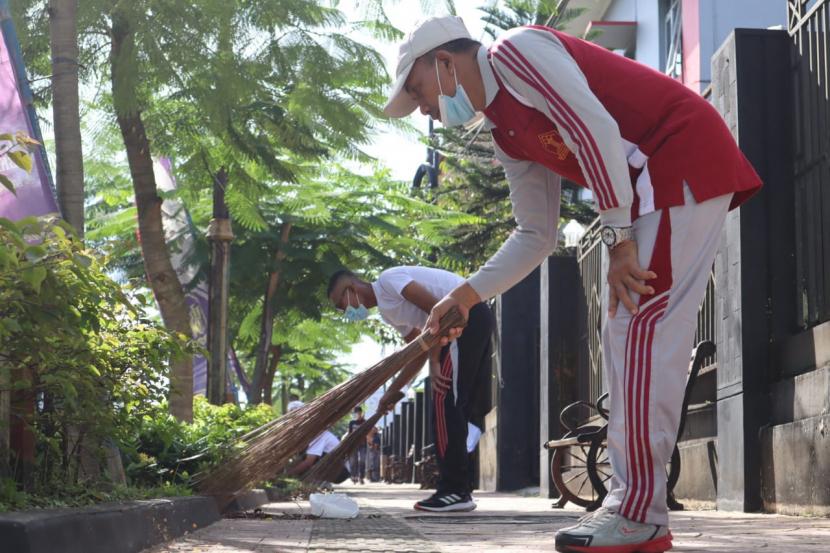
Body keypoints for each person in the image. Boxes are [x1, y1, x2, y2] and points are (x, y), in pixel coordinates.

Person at [383, 16, 761, 553]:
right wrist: (466, 294)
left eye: (418, 90)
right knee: (625, 335)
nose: (424, 108)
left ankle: (638, 514)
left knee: (642, 331)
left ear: (443, 61)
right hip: (646, 188)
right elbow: (535, 235)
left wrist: (620, 240)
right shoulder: (504, 133)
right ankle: (634, 510)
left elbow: (595, 131)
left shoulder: (516, 54)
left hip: (677, 155)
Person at [328, 266, 495, 512]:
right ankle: (458, 489)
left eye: (341, 305)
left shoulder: (388, 280)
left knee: (445, 403)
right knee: (449, 403)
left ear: (352, 289)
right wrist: (394, 390)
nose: (345, 312)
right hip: (461, 325)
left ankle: (454, 490)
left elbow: (440, 310)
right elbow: (418, 351)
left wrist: (436, 361)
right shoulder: (387, 313)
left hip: (465, 319)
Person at [347, 407, 368, 484]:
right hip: (353, 444)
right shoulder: (351, 423)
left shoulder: (364, 422)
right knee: (353, 461)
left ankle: (361, 477)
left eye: (359, 413)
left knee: (362, 460)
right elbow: (349, 434)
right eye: (356, 413)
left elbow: (367, 432)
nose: (358, 414)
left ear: (361, 413)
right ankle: (354, 476)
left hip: (362, 444)